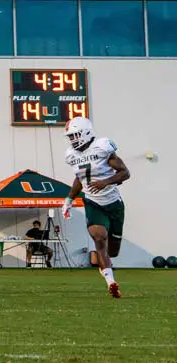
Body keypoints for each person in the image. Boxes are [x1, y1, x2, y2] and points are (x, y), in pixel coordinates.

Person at [62, 117, 130, 298]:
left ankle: (106, 267)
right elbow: (79, 178)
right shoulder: (71, 155)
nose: (73, 139)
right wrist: (68, 200)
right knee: (99, 238)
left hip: (114, 204)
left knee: (113, 250)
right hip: (93, 202)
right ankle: (111, 282)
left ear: (86, 132)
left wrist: (105, 182)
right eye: (71, 136)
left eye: (76, 135)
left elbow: (125, 172)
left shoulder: (102, 147)